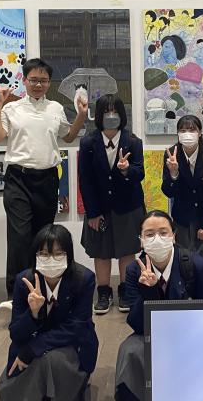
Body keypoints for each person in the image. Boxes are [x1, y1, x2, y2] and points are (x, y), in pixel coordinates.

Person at [0, 58, 88, 302]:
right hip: (18, 179)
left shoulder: (55, 108)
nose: (38, 85)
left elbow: (68, 137)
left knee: (43, 237)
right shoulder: (12, 108)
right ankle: (16, 294)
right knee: (20, 238)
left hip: (47, 179)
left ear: (49, 83)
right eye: (33, 80)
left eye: (43, 80)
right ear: (24, 80)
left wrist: (81, 115)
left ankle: (42, 288)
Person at [115, 210, 203, 401]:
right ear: (141, 241)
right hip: (150, 333)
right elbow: (137, 324)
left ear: (174, 236)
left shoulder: (197, 265)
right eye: (149, 234)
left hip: (192, 334)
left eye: (163, 233)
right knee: (129, 350)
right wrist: (149, 291)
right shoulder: (133, 271)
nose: (157, 239)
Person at [0, 224, 98, 401]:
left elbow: (76, 328)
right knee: (29, 373)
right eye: (43, 254)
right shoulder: (24, 281)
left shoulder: (84, 279)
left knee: (52, 360)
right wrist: (33, 314)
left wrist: (33, 349)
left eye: (59, 253)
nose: (51, 259)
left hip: (71, 344)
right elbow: (16, 333)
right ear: (35, 256)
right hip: (31, 341)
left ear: (69, 255)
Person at [79, 94, 145, 314]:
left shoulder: (133, 141)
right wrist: (93, 212)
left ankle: (126, 290)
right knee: (101, 251)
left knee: (128, 250)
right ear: (98, 115)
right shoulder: (88, 142)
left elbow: (140, 173)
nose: (111, 115)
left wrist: (126, 170)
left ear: (122, 114)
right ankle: (103, 291)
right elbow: (85, 180)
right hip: (99, 207)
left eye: (115, 111)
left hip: (128, 206)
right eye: (106, 111)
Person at [161, 114, 203, 270]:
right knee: (185, 265)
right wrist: (174, 173)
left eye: (192, 130)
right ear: (178, 134)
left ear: (200, 133)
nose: (187, 134)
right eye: (183, 130)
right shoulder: (171, 154)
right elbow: (168, 191)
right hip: (183, 219)